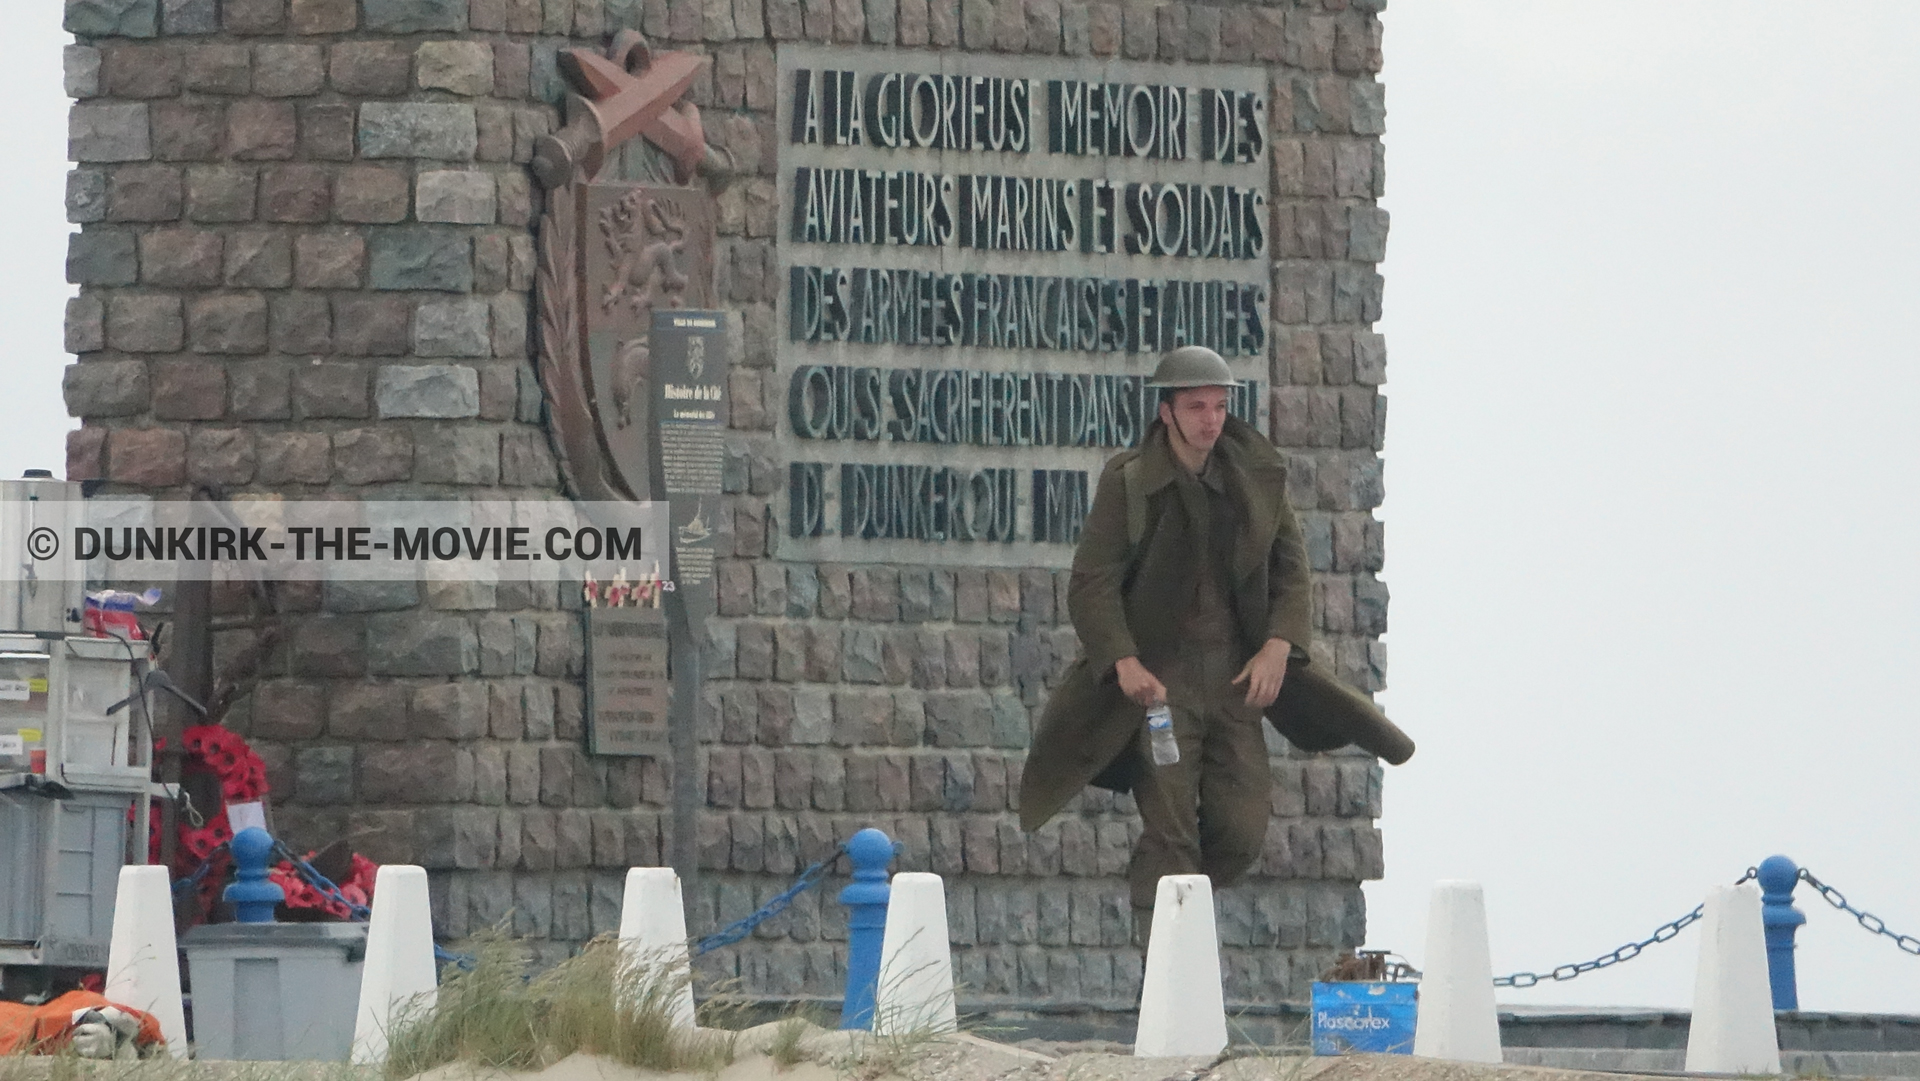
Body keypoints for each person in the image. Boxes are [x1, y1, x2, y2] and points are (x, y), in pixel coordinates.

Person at [1018, 345, 1415, 939]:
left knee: (1241, 830)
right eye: (1197, 406)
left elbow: (1291, 573)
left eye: (1220, 406)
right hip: (1160, 689)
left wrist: (1279, 646)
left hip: (1234, 684)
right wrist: (1122, 662)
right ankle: (1168, 961)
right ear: (1167, 413)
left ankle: (1165, 894)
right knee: (1172, 831)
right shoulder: (1129, 483)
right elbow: (1092, 583)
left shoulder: (1256, 479)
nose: (1210, 419)